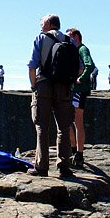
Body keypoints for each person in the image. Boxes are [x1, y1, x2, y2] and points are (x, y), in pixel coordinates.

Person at [28, 14, 82, 177]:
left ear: (49, 24)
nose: (40, 26)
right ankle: (64, 166)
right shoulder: (69, 40)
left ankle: (42, 167)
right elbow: (79, 68)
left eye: (42, 23)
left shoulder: (40, 38)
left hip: (44, 85)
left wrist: (33, 86)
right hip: (64, 88)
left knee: (42, 127)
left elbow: (32, 66)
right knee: (64, 127)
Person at [66, 28, 95, 168]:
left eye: (69, 36)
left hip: (79, 90)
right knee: (68, 120)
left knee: (77, 120)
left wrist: (81, 79)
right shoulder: (73, 51)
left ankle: (79, 153)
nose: (67, 39)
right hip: (73, 89)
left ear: (76, 36)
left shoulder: (82, 49)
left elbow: (90, 65)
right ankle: (73, 150)